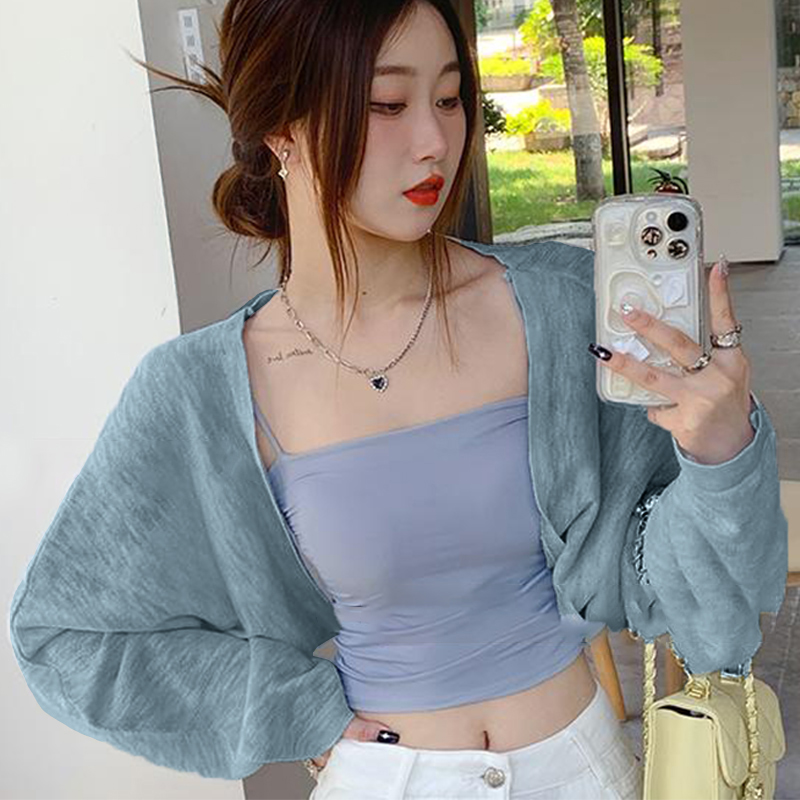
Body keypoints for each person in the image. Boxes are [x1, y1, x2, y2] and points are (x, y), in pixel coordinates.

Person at [8, 0, 785, 797]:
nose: (434, 140)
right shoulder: (202, 387)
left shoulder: (558, 307)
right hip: (388, 778)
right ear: (280, 130)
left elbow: (703, 598)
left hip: (584, 769)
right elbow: (63, 633)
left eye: (448, 98)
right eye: (387, 103)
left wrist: (721, 451)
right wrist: (293, 710)